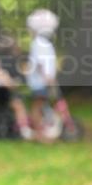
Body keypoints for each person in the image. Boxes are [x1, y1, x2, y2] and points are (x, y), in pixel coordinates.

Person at [25, 8, 59, 141]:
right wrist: (48, 78)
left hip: (41, 81)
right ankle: (38, 133)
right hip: (39, 82)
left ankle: (40, 131)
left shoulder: (41, 43)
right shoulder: (40, 43)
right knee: (38, 106)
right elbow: (40, 63)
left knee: (41, 105)